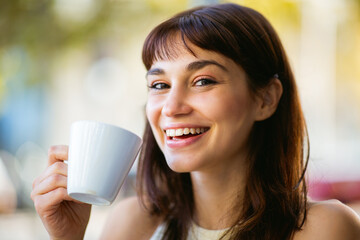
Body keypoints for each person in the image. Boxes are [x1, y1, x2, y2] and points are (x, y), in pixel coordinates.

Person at [31, 3, 360, 240]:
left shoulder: (324, 229)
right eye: (160, 85)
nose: (171, 107)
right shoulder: (132, 225)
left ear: (266, 99)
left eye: (203, 81)